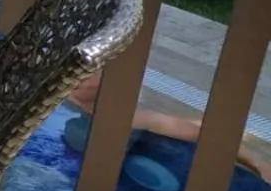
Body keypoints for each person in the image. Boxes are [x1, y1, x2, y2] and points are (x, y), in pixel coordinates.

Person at [63, 71, 271, 185]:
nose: (80, 77)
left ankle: (240, 133)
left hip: (114, 170)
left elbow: (205, 136)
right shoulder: (64, 97)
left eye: (90, 73)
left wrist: (258, 165)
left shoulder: (130, 117)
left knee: (172, 127)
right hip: (80, 162)